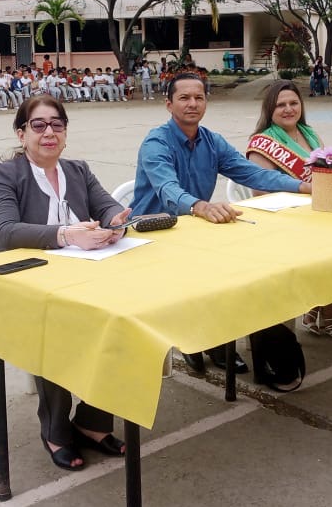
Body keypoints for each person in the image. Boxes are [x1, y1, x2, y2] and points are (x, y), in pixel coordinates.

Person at [130, 72, 312, 374]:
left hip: (195, 229)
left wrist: (302, 186)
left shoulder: (212, 142)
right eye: (184, 98)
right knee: (207, 273)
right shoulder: (156, 142)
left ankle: (216, 341)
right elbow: (167, 189)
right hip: (153, 234)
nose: (192, 104)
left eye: (198, 97)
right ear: (169, 104)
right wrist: (200, 206)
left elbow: (253, 173)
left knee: (241, 266)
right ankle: (196, 342)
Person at [0, 95, 130, 472]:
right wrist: (66, 234)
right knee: (54, 326)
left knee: (122, 318)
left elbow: (106, 206)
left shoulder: (78, 170)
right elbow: (6, 230)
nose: (49, 132)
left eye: (57, 124)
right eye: (38, 125)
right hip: (18, 279)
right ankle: (55, 428)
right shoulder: (4, 174)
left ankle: (93, 420)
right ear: (22, 134)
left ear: (65, 133)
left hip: (76, 273)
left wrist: (115, 222)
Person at [246, 80, 332, 340]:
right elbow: (261, 192)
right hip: (281, 221)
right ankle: (328, 307)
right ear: (269, 109)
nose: (288, 109)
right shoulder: (262, 142)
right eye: (280, 105)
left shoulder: (309, 133)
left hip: (315, 213)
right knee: (323, 247)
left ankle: (316, 306)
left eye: (293, 103)